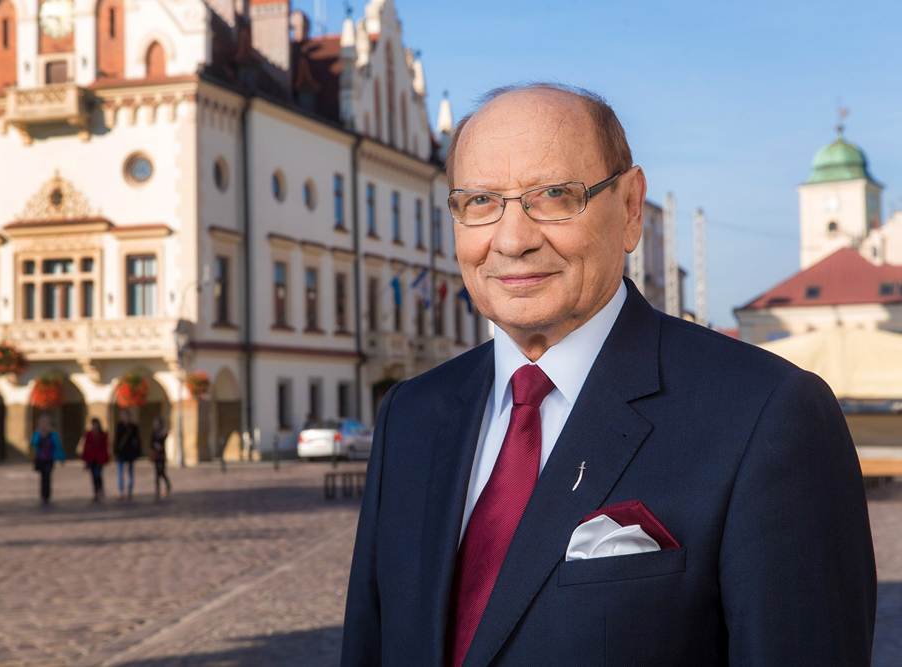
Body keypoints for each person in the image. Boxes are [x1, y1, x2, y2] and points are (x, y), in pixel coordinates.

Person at [341, 84, 877, 666]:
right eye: (480, 201)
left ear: (629, 209)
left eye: (553, 195)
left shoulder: (767, 414)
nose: (512, 240)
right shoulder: (411, 413)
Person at [30, 414, 65, 505]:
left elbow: (58, 446)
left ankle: (47, 495)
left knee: (47, 475)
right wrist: (40, 434)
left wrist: (62, 458)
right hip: (41, 458)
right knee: (43, 476)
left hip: (49, 459)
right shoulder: (37, 434)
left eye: (45, 423)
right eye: (42, 423)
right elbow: (33, 443)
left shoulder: (53, 435)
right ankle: (43, 494)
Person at [114, 410, 141, 501]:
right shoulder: (119, 426)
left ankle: (129, 491)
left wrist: (138, 452)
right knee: (120, 473)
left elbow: (137, 440)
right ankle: (121, 491)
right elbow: (116, 440)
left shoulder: (133, 427)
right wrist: (115, 451)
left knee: (130, 473)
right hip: (121, 452)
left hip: (130, 452)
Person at [81, 418, 109, 502]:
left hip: (99, 458)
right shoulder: (89, 434)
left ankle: (100, 489)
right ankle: (96, 492)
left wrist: (106, 458)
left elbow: (105, 447)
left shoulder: (102, 435)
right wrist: (85, 458)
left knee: (98, 474)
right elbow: (86, 446)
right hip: (91, 459)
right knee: (93, 476)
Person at [149, 416, 171, 500]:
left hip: (161, 455)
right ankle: (157, 490)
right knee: (157, 473)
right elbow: (151, 443)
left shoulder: (162, 433)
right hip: (156, 455)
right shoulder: (154, 433)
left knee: (162, 471)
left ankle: (168, 485)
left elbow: (163, 439)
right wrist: (155, 445)